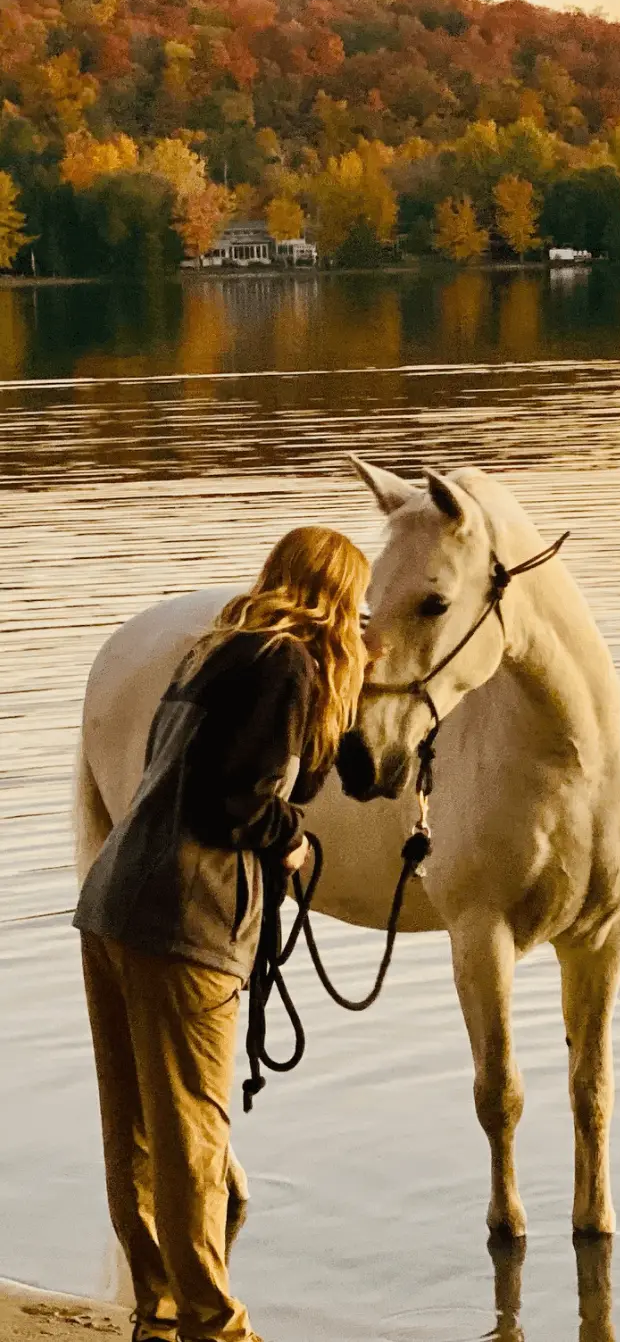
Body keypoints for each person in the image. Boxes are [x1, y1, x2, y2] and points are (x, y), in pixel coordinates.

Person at [74, 526, 371, 1342]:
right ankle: (216, 1327)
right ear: (336, 598)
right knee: (195, 1133)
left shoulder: (212, 652)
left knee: (135, 1127)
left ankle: (159, 1311)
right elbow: (233, 804)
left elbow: (274, 773)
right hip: (185, 919)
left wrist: (342, 699)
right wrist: (291, 841)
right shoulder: (287, 664)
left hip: (113, 902)